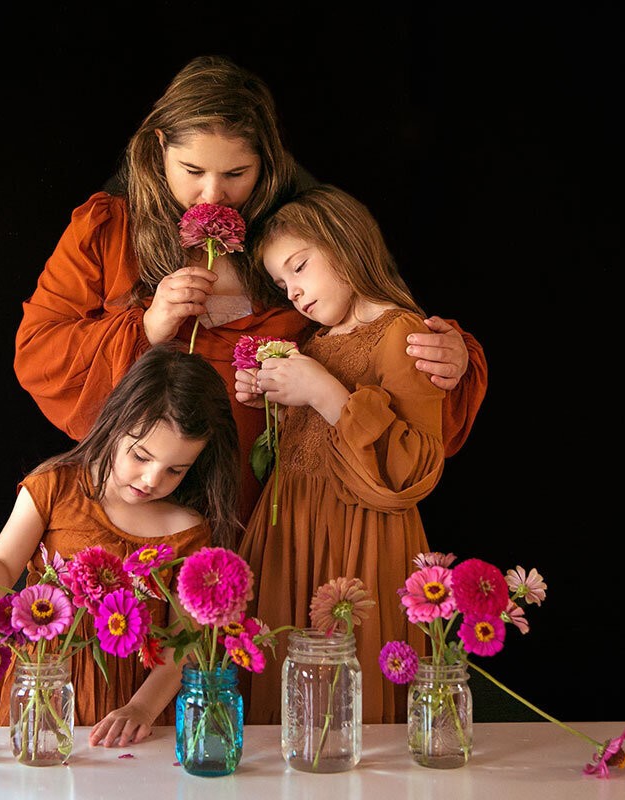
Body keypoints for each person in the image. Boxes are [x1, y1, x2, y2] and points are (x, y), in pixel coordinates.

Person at [12, 56, 488, 525]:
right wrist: (147, 326)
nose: (213, 194)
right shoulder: (107, 229)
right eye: (193, 170)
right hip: (145, 502)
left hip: (280, 508)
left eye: (236, 174)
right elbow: (38, 352)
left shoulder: (301, 235)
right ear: (159, 146)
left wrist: (451, 355)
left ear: (266, 158)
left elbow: (379, 323)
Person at [236, 186, 448, 724]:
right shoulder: (316, 342)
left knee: (347, 688)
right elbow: (310, 444)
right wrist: (272, 399)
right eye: (283, 285)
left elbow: (413, 471)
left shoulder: (402, 333)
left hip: (361, 539)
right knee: (285, 681)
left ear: (345, 243)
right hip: (292, 530)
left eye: (300, 267)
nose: (295, 294)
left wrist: (324, 392)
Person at [0, 344, 240, 746]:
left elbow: (185, 643)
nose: (152, 479)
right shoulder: (55, 487)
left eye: (174, 470)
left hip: (134, 714)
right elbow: (2, 565)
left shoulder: (188, 531)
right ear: (115, 422)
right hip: (43, 687)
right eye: (141, 455)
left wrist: (142, 709)